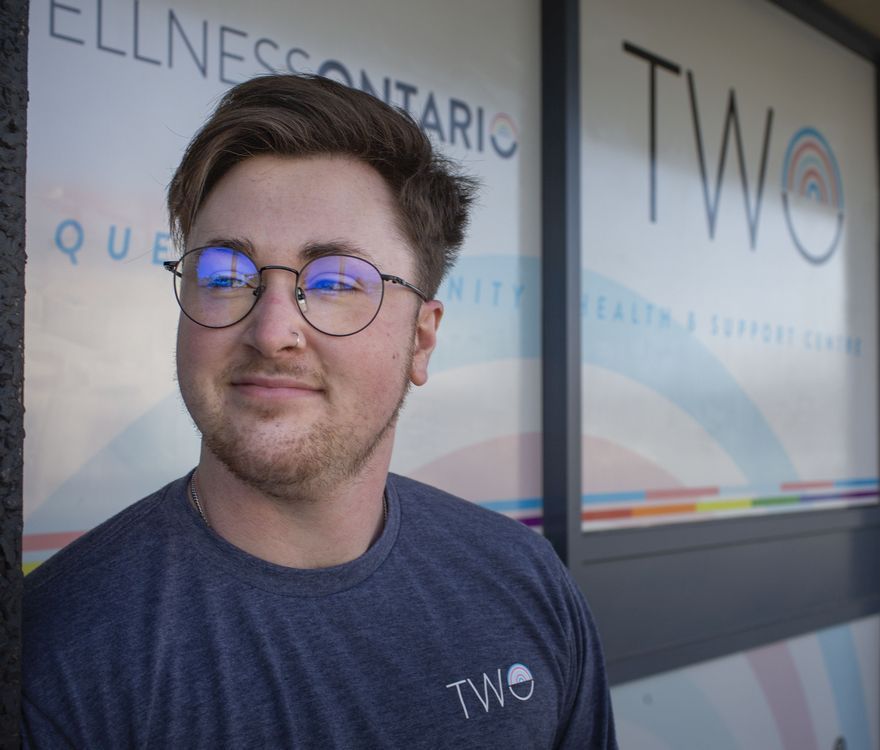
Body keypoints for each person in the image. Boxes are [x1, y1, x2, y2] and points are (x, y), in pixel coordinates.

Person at [22, 73, 617, 748]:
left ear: (421, 339)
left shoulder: (524, 583)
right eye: (225, 274)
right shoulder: (57, 653)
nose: (272, 330)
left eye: (335, 281)